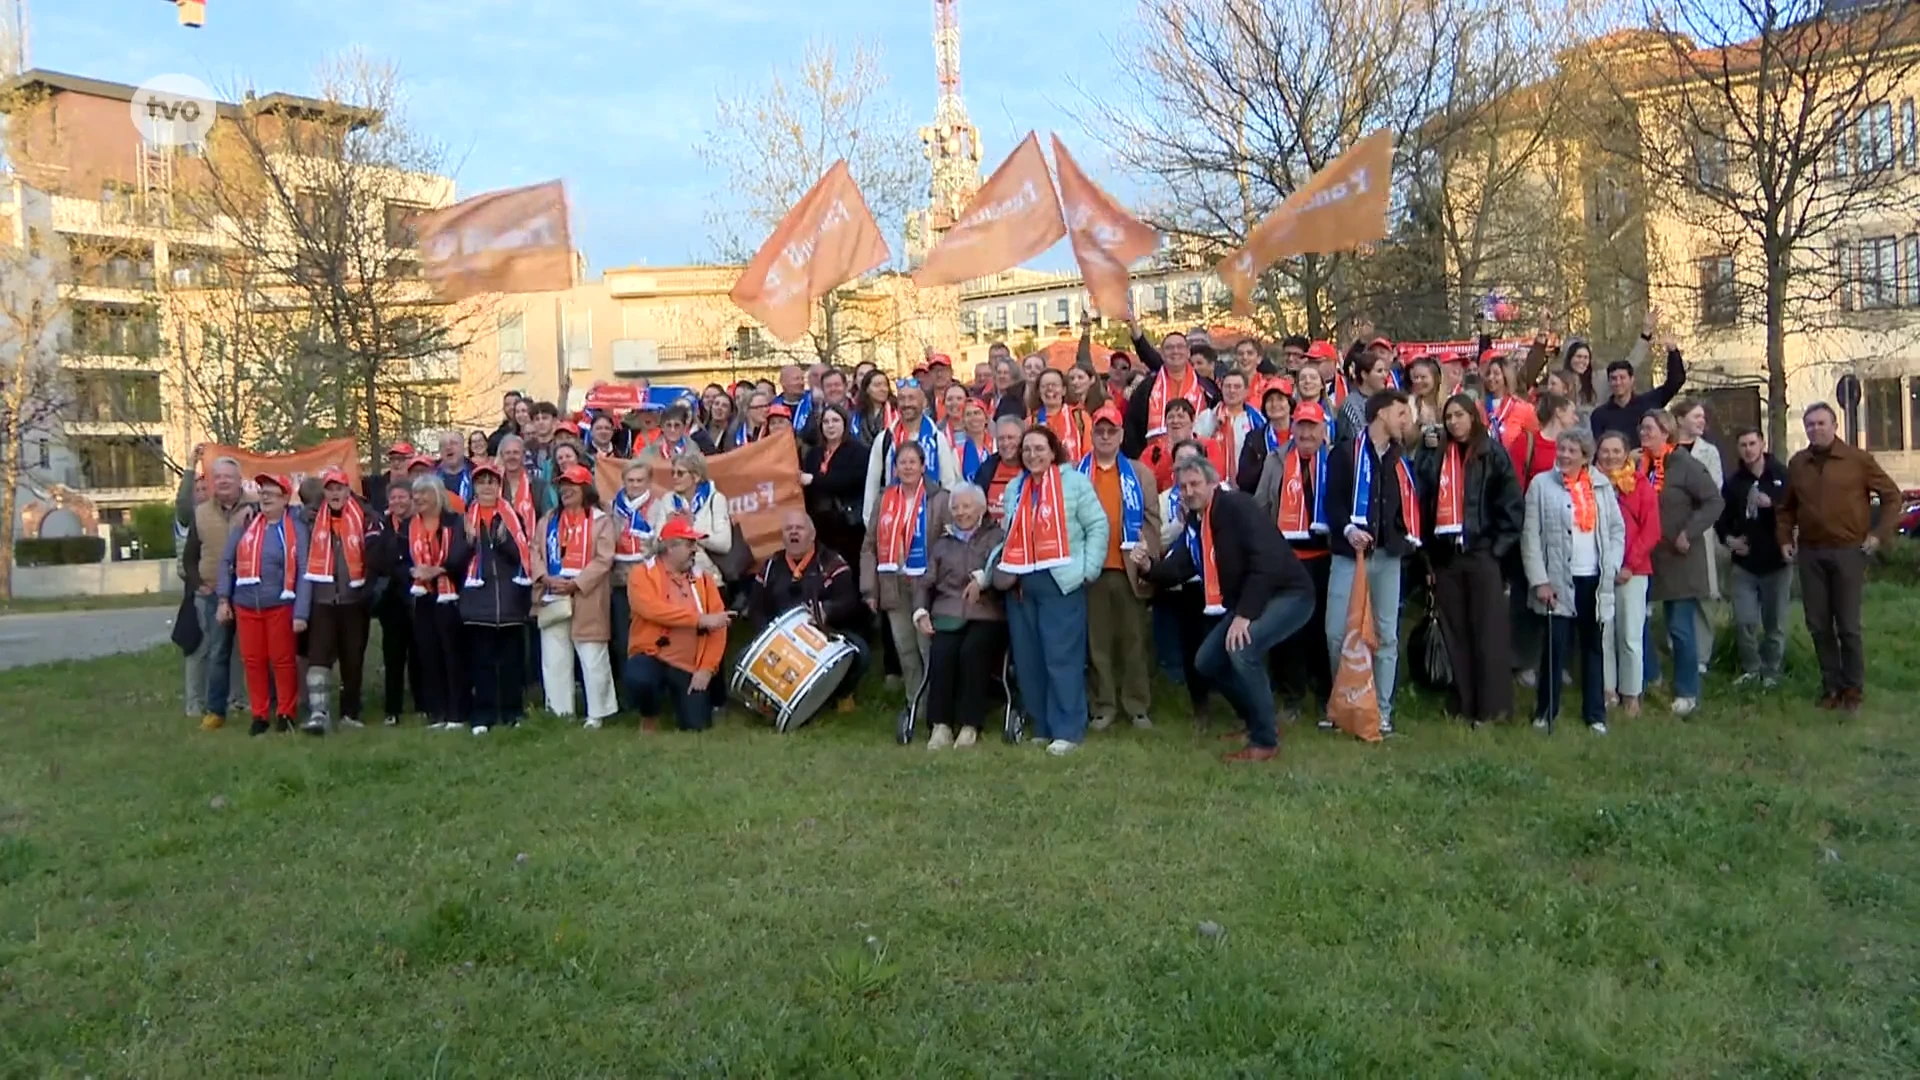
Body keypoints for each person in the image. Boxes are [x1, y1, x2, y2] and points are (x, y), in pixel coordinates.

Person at [1133, 454, 1316, 762]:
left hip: (1288, 593)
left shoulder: (1237, 507)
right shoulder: (1198, 520)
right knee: (1206, 661)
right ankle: (1256, 719)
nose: (1189, 491)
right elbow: (1184, 564)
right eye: (1184, 486)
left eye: (1195, 484)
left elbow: (1266, 562)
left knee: (1242, 650)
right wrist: (1149, 567)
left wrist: (1244, 615)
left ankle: (1265, 740)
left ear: (1212, 483)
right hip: (1253, 598)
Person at [1776, 401, 1901, 713]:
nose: (1815, 429)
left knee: (1847, 625)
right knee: (1818, 624)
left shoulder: (1857, 460)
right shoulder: (1798, 463)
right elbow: (1786, 508)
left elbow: (1891, 496)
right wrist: (1784, 538)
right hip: (1811, 553)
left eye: (1821, 423)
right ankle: (1830, 685)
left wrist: (1878, 534)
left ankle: (1853, 689)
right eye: (1810, 425)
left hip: (1848, 551)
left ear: (1834, 426)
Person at [994, 426, 1109, 755]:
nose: (1033, 455)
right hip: (1022, 584)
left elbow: (1097, 525)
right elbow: (1009, 534)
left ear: (1053, 450)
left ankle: (1068, 729)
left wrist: (1088, 570)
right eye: (1027, 449)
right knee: (1030, 659)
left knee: (1061, 657)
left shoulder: (1074, 482)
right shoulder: (1016, 487)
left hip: (1062, 581)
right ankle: (1042, 725)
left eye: (1039, 448)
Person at [1417, 393, 1524, 726]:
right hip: (1448, 556)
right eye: (1449, 417)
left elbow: (1511, 507)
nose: (1454, 422)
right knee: (1456, 633)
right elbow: (1423, 503)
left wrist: (1495, 550)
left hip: (1481, 554)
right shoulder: (1437, 456)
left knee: (1488, 633)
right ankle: (1463, 702)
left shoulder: (1491, 453)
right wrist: (1429, 558)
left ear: (1473, 418)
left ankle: (1493, 708)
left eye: (1460, 415)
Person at [1322, 389, 1421, 735]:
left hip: (1387, 558)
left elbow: (1405, 507)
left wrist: (1399, 536)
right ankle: (1344, 703)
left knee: (1386, 635)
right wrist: (1348, 529)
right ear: (1381, 414)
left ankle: (1381, 710)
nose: (1405, 421)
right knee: (1337, 631)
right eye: (1401, 413)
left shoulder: (1400, 459)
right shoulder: (1345, 453)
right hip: (1350, 556)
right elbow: (1331, 503)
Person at [1522, 429, 1627, 734]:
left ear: (1585, 456)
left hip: (1593, 579)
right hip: (1556, 580)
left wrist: (1613, 562)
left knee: (1593, 647)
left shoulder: (1602, 485)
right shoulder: (1541, 485)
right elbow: (1530, 537)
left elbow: (1616, 530)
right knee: (1554, 647)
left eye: (1572, 451)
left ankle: (1595, 714)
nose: (1565, 455)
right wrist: (1540, 580)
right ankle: (1545, 711)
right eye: (1562, 449)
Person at [1076, 405, 1161, 731]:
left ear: (1122, 435)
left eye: (1112, 431)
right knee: (1097, 644)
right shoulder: (1077, 472)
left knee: (1134, 641)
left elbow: (1153, 522)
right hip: (1092, 569)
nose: (1106, 436)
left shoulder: (1140, 473)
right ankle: (1103, 706)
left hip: (1129, 568)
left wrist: (1147, 559)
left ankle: (1137, 706)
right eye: (1100, 431)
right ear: (1093, 435)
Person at [1638, 408, 1725, 716]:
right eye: (1642, 429)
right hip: (1646, 557)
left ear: (1666, 432)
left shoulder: (1685, 465)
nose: (1644, 434)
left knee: (1679, 628)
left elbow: (1714, 501)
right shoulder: (1638, 464)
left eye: (1649, 429)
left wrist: (1689, 532)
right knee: (1639, 621)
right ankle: (1651, 678)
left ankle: (1687, 691)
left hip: (1680, 558)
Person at [1252, 402, 1334, 719]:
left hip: (1324, 557)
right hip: (1286, 559)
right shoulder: (1276, 461)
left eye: (1312, 426)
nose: (1306, 432)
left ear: (1323, 430)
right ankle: (1291, 696)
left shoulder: (1333, 459)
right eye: (1301, 426)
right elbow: (1261, 504)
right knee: (1287, 630)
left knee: (1322, 630)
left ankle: (1326, 692)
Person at [912, 484, 1007, 749]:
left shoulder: (996, 536)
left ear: (981, 508)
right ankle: (940, 725)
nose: (961, 512)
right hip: (948, 612)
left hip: (986, 613)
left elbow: (1001, 565)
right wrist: (920, 611)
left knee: (972, 651)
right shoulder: (943, 543)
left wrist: (983, 580)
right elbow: (925, 582)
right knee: (942, 652)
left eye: (966, 506)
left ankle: (969, 725)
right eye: (956, 507)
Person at [217, 473, 312, 737]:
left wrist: (301, 612)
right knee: (253, 661)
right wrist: (224, 598)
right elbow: (226, 562)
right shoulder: (245, 525)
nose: (265, 496)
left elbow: (304, 569)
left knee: (282, 661)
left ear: (285, 497)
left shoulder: (297, 527)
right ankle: (259, 714)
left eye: (272, 492)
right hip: (246, 606)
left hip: (280, 604)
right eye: (262, 491)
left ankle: (286, 712)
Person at [749, 510, 870, 717]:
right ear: (782, 535)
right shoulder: (770, 566)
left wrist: (828, 611)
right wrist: (768, 636)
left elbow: (849, 601)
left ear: (812, 535)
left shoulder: (831, 562)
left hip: (823, 635)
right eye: (789, 529)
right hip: (783, 641)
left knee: (861, 652)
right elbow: (756, 609)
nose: (793, 533)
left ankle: (842, 694)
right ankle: (771, 701)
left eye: (799, 528)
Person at [861, 441, 950, 706]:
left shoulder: (940, 498)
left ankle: (938, 704)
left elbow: (949, 543)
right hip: (893, 583)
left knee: (928, 648)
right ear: (895, 468)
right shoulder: (884, 499)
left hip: (927, 585)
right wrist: (869, 588)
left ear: (923, 466)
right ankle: (915, 705)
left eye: (913, 462)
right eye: (902, 462)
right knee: (905, 648)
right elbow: (869, 546)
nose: (908, 467)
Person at [531, 464, 619, 728]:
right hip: (552, 593)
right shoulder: (547, 519)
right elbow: (534, 550)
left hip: (586, 595)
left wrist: (576, 584)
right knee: (553, 656)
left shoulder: (601, 520)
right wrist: (545, 577)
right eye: (562, 485)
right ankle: (560, 712)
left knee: (593, 655)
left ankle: (598, 713)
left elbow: (604, 559)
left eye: (572, 484)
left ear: (585, 488)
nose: (566, 489)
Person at [626, 517, 731, 730]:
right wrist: (699, 619)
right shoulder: (641, 574)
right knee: (639, 677)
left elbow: (719, 626)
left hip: (689, 665)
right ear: (671, 547)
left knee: (697, 726)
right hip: (652, 655)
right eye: (689, 544)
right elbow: (652, 610)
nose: (695, 550)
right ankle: (649, 716)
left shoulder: (704, 579)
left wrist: (706, 669)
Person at [299, 467, 376, 734]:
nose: (335, 494)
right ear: (324, 493)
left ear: (347, 491)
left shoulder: (364, 516)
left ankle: (350, 713)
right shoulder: (310, 519)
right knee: (318, 656)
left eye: (339, 489)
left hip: (354, 599)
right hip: (322, 599)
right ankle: (319, 712)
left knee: (352, 658)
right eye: (330, 489)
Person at [460, 461, 534, 734]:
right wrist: (468, 544)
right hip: (478, 602)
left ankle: (513, 711)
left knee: (513, 662)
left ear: (499, 485)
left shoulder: (513, 518)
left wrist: (504, 541)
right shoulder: (465, 520)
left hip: (511, 601)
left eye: (492, 481)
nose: (487, 486)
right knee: (482, 663)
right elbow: (456, 559)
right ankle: (484, 714)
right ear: (475, 486)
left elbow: (522, 559)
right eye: (482, 482)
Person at [178, 449, 248, 729]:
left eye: (228, 477)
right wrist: (199, 585)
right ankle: (215, 710)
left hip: (248, 592)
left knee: (251, 653)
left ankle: (254, 703)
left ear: (239, 480)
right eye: (217, 477)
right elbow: (189, 557)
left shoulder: (255, 507)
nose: (222, 482)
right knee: (217, 652)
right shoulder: (201, 513)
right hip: (212, 594)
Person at [1717, 427, 1791, 688]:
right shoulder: (1735, 482)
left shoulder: (1782, 475)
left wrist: (1772, 506)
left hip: (1776, 561)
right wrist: (1730, 541)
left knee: (1775, 622)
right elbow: (1721, 520)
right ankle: (1751, 668)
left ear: (1762, 444)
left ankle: (1772, 672)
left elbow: (1796, 512)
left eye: (1752, 443)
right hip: (1745, 564)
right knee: (1745, 620)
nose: (1748, 450)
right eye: (1743, 445)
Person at [1596, 431, 1658, 717]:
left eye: (1616, 451)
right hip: (1598, 571)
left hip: (1633, 571)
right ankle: (1608, 690)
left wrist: (1629, 565)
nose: (1610, 457)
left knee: (1630, 635)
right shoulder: (1589, 485)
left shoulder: (1640, 485)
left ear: (1626, 454)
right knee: (1604, 634)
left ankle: (1631, 692)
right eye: (1605, 451)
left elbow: (1651, 530)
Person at [402, 476, 470, 730]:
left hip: (450, 594)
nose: (418, 498)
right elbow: (401, 558)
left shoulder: (455, 522)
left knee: (452, 654)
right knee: (428, 653)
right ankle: (437, 711)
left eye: (423, 494)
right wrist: (413, 572)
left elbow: (463, 553)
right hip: (424, 597)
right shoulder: (411, 525)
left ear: (438, 495)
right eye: (415, 494)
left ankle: (457, 712)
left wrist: (438, 570)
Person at [862, 381, 961, 522]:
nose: (906, 403)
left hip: (930, 521)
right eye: (902, 399)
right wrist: (870, 521)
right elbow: (872, 485)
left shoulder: (937, 438)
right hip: (892, 521)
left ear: (924, 403)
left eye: (912, 398)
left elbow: (948, 483)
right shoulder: (885, 439)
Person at [1674, 397, 1725, 669]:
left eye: (1703, 417)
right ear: (1680, 419)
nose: (1701, 421)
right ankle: (1678, 649)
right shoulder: (1666, 450)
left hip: (1699, 530)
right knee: (1676, 591)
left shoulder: (1709, 452)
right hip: (1670, 530)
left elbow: (1713, 490)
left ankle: (1702, 655)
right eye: (1696, 416)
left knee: (1703, 593)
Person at [1123, 320, 1220, 459]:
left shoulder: (1207, 388)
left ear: (1188, 353)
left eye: (1180, 347)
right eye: (1169, 348)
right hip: (1154, 461)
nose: (1175, 351)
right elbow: (1132, 429)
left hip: (1198, 462)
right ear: (1162, 353)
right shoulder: (1146, 388)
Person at [368, 478, 420, 724]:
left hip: (417, 596)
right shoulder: (382, 526)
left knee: (419, 653)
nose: (398, 502)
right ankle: (392, 709)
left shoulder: (419, 524)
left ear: (411, 499)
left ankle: (423, 703)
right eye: (393, 498)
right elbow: (376, 559)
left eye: (402, 497)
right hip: (391, 600)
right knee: (393, 655)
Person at [1590, 318, 1687, 440]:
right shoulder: (1600, 415)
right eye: (1613, 379)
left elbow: (1675, 382)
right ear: (1609, 382)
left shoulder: (1649, 403)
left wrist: (1673, 352)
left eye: (1622, 378)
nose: (1618, 382)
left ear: (1632, 380)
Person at [801, 404, 870, 565]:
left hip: (848, 526)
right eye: (826, 422)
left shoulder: (858, 451)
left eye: (835, 420)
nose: (830, 425)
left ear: (845, 423)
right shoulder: (814, 454)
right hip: (819, 526)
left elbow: (851, 480)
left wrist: (814, 480)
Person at [657, 451, 732, 580]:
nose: (675, 477)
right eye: (673, 473)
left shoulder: (715, 499)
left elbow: (724, 544)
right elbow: (657, 543)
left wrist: (691, 529)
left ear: (696, 477)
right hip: (673, 579)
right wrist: (668, 531)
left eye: (680, 473)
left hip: (708, 578)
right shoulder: (667, 500)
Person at [973, 415, 1027, 526]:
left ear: (1023, 439)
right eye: (1001, 439)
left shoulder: (1032, 468)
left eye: (1011, 437)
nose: (1006, 443)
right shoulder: (987, 470)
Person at [1236, 387, 1292, 493]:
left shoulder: (1301, 434)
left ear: (1290, 403)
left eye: (1280, 399)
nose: (1274, 404)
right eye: (1270, 400)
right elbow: (1243, 480)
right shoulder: (1254, 438)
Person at [1030, 368, 1092, 463]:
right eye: (1044, 386)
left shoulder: (1080, 417)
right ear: (1038, 392)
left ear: (1064, 390)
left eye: (1054, 385)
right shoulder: (1031, 421)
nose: (1050, 389)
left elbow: (1089, 453)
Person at [1210, 369, 1265, 474]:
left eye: (1237, 387)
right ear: (1221, 389)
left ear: (1246, 391)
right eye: (1227, 386)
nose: (1232, 390)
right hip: (1213, 483)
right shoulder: (1208, 418)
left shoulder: (1257, 420)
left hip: (1246, 484)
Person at [851, 369, 897, 445]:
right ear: (867, 389)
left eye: (885, 385)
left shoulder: (896, 413)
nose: (883, 389)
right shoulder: (856, 416)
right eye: (877, 385)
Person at [434, 432, 474, 508]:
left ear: (463, 448)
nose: (448, 447)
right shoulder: (431, 476)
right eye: (443, 445)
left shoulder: (476, 474)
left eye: (453, 443)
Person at [774, 363, 815, 432]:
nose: (801, 383)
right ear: (783, 382)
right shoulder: (774, 405)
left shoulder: (813, 401)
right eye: (796, 379)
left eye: (802, 379)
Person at [487, 390, 522, 455]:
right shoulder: (496, 438)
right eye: (507, 404)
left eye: (515, 404)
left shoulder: (531, 433)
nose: (511, 407)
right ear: (504, 408)